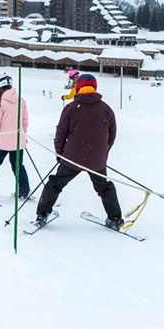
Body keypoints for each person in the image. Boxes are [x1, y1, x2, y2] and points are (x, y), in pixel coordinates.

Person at [35, 73, 124, 230]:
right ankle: (115, 218)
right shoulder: (106, 109)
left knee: (55, 183)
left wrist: (60, 154)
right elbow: (112, 135)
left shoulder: (71, 108)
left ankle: (42, 214)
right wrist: (102, 153)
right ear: (94, 87)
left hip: (72, 157)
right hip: (97, 159)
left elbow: (60, 133)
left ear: (78, 87)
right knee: (104, 187)